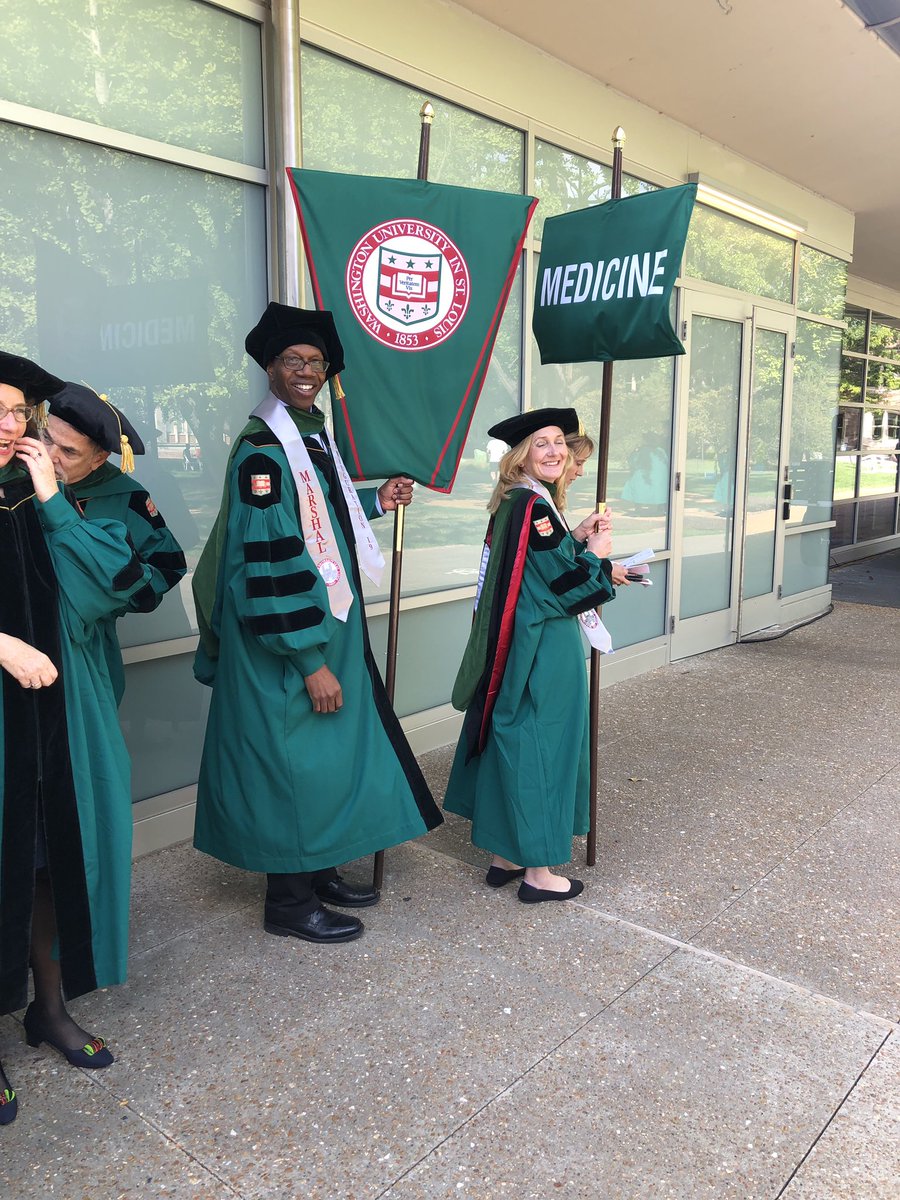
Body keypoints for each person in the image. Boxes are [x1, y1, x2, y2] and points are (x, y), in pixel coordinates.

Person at [192, 303, 443, 945]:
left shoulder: (308, 434)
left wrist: (375, 500)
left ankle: (321, 868)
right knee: (293, 767)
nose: (306, 371)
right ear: (271, 368)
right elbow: (266, 563)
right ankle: (288, 903)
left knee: (324, 763)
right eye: (293, 361)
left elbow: (320, 519)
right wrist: (309, 659)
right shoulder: (262, 451)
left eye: (316, 363)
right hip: (287, 640)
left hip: (323, 625)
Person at [0, 351, 153, 1127]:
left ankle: (48, 1009)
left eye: (16, 414)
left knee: (45, 861)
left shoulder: (32, 497)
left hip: (53, 723)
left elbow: (105, 591)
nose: (8, 428)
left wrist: (53, 497)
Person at [444, 407, 629, 904]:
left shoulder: (517, 502)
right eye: (541, 443)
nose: (555, 451)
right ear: (521, 456)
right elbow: (566, 589)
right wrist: (601, 560)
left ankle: (506, 855)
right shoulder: (536, 507)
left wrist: (578, 538)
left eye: (558, 443)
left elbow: (538, 569)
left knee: (516, 739)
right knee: (544, 749)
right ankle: (539, 873)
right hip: (542, 648)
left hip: (517, 645)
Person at [43, 384, 186, 704]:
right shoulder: (15, 481)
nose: (50, 457)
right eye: (47, 438)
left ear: (98, 458)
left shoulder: (125, 497)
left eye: (68, 452)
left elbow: (169, 565)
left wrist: (109, 596)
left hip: (87, 643)